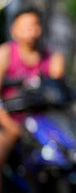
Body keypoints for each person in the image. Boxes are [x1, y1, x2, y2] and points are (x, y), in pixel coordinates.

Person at [0, 8, 65, 167]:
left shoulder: (52, 57)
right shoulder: (6, 53)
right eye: (24, 27)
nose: (30, 32)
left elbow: (58, 88)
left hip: (43, 122)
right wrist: (9, 125)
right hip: (10, 120)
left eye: (33, 25)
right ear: (14, 30)